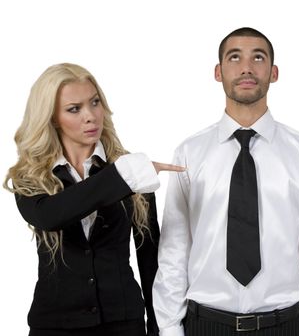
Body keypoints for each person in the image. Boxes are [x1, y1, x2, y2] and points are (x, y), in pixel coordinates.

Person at [152, 27, 299, 336]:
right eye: (234, 57)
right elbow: (174, 249)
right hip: (205, 324)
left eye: (258, 58)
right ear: (218, 71)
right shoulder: (189, 153)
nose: (246, 68)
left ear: (274, 73)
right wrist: (169, 328)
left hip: (283, 325)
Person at [4, 63, 184, 336]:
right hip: (55, 326)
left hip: (124, 324)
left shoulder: (131, 170)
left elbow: (150, 261)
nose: (90, 116)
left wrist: (163, 328)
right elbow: (50, 216)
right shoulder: (31, 176)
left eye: (95, 102)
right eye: (74, 109)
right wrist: (123, 175)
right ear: (52, 117)